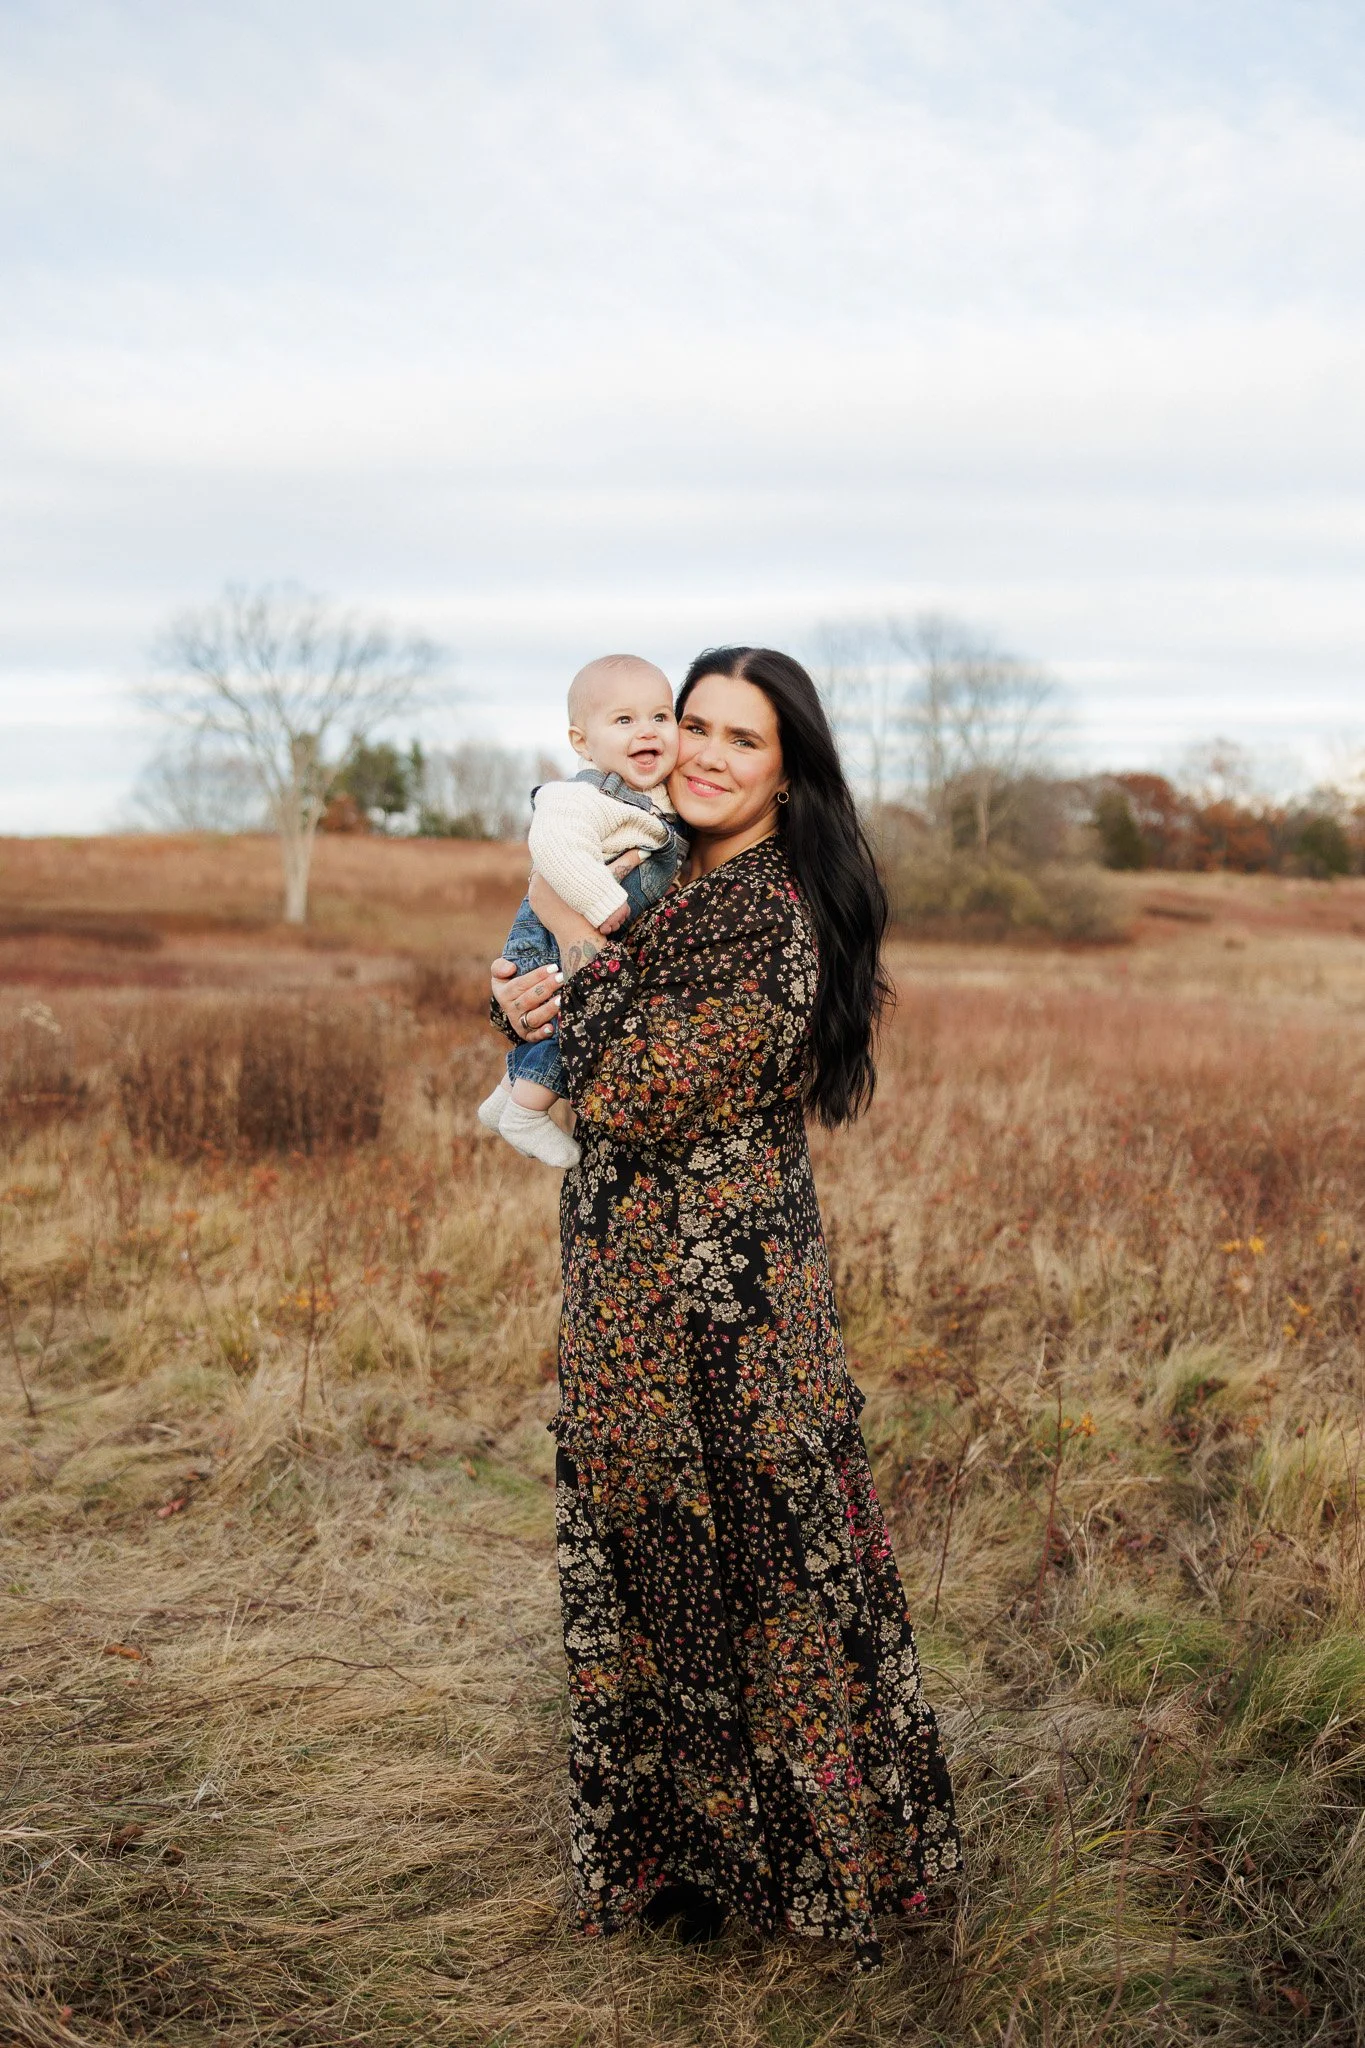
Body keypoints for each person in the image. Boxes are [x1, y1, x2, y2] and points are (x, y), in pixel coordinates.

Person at [490, 648, 959, 1971]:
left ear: (788, 770)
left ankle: (817, 1877)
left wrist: (563, 961)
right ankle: (689, 1866)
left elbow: (635, 1087)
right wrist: (515, 995)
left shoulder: (772, 909)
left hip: (731, 1319)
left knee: (773, 1588)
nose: (698, 753)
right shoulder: (662, 871)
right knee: (661, 1586)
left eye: (737, 741)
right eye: (689, 725)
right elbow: (572, 1020)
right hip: (630, 1297)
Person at [479, 653, 688, 1168]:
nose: (647, 731)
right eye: (624, 720)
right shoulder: (583, 794)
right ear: (581, 742)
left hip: (565, 927)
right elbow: (551, 844)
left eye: (661, 717)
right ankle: (527, 1111)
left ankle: (507, 1096)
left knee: (564, 1011)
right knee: (569, 1013)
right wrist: (598, 900)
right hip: (554, 928)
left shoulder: (652, 797)